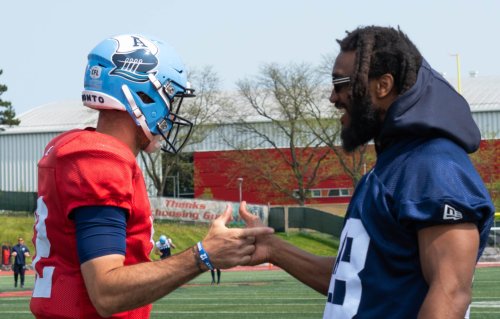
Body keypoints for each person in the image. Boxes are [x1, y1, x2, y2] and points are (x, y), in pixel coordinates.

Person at [239, 25, 495, 318]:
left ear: (383, 86)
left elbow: (450, 293)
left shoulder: (434, 165)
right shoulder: (395, 164)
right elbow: (356, 280)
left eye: (340, 84)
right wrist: (273, 249)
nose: (333, 98)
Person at [30, 34, 273, 319]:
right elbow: (106, 292)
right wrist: (204, 255)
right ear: (143, 95)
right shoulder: (100, 160)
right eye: (169, 98)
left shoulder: (75, 148)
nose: (171, 113)